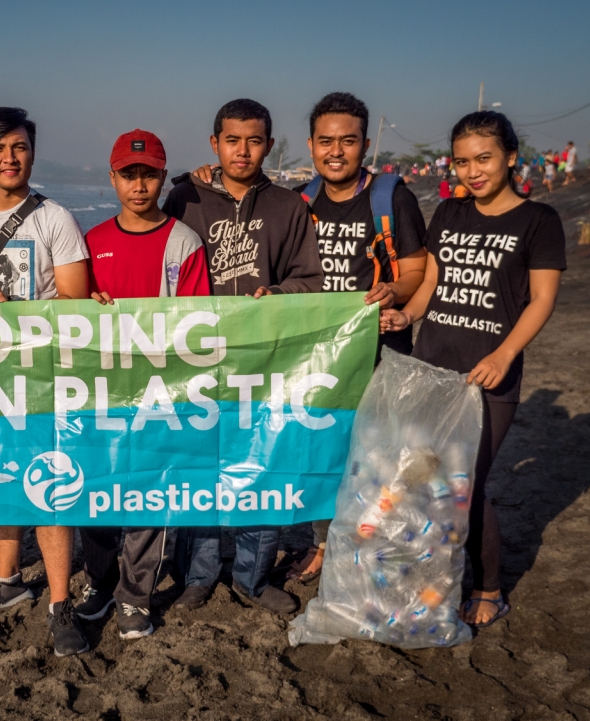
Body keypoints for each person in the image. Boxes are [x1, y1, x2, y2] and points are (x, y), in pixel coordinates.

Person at [380, 110, 565, 629]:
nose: (472, 171)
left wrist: (504, 354)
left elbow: (542, 300)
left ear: (510, 157)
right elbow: (432, 286)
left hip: (489, 378)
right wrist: (406, 314)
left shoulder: (538, 221)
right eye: (462, 161)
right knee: (421, 477)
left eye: (483, 158)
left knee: (466, 483)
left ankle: (488, 587)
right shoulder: (449, 213)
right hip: (431, 369)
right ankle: (428, 573)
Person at [0, 106, 92, 656]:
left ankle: (59, 603)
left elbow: (77, 304)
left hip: (46, 373)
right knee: (1, 476)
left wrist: (18, 304)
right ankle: (6, 581)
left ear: (31, 152)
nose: (10, 157)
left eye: (20, 146)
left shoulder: (55, 218)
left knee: (52, 487)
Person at [164, 98, 322, 616]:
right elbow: (156, 259)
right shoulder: (185, 198)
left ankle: (253, 579)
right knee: (201, 469)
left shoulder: (288, 207)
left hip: (264, 361)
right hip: (197, 360)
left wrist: (279, 293)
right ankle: (198, 573)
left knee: (263, 467)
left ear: (269, 146)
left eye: (254, 141)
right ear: (215, 144)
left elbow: (311, 279)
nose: (243, 150)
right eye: (232, 140)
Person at [72, 129, 211, 640]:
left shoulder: (183, 242)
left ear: (160, 176)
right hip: (102, 389)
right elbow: (70, 316)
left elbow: (197, 323)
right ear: (113, 179)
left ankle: (136, 597)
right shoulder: (92, 243)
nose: (138, 185)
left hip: (158, 390)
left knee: (150, 492)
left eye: (148, 174)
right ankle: (100, 584)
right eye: (128, 175)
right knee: (98, 489)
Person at [287, 92, 429, 581]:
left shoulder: (391, 198)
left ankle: (374, 549)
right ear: (311, 145)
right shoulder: (300, 202)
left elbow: (415, 269)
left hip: (380, 352)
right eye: (326, 141)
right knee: (322, 455)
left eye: (348, 141)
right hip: (318, 357)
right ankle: (324, 545)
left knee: (379, 457)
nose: (336, 151)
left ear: (365, 144)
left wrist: (395, 292)